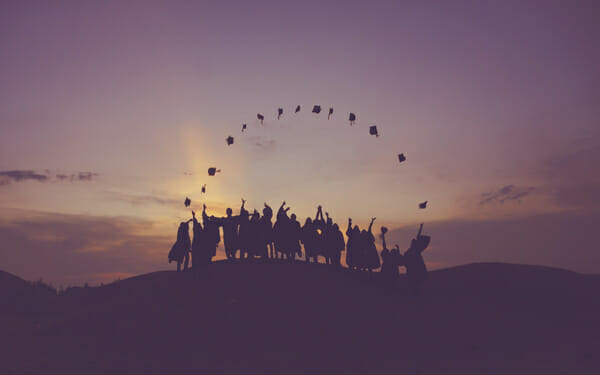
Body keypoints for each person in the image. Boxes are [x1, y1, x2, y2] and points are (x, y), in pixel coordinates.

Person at [404, 223, 431, 296]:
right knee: (414, 281)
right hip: (412, 268)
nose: (412, 243)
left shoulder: (417, 250)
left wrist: (421, 227)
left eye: (413, 242)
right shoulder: (410, 251)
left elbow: (418, 236)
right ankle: (415, 292)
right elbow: (405, 259)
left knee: (417, 281)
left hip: (417, 267)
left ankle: (417, 292)